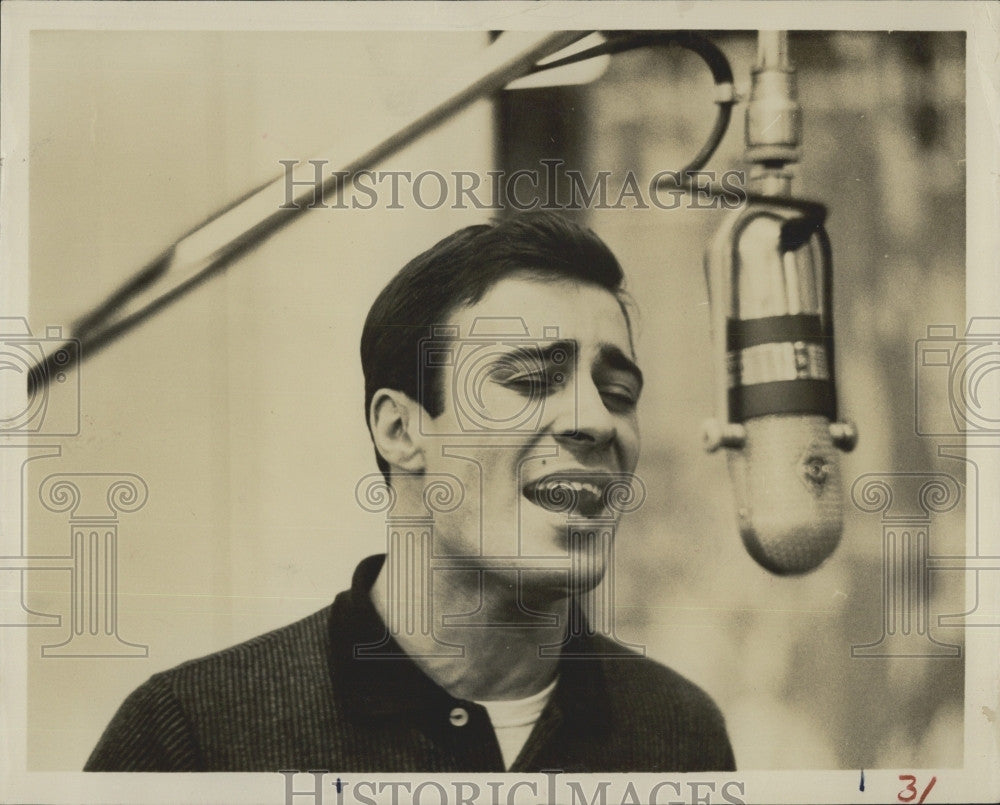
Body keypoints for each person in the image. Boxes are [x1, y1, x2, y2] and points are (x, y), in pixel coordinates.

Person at [85, 211, 735, 772]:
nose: (595, 421)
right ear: (400, 429)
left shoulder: (679, 732)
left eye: (618, 393)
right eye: (534, 379)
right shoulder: (195, 735)